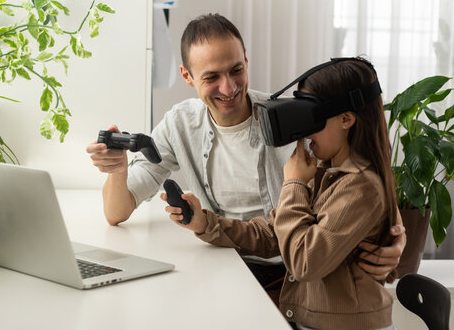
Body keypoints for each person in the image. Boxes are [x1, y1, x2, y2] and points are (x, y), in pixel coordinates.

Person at [86, 14, 404, 292]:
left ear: (246, 61)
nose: (229, 87)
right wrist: (118, 170)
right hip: (223, 263)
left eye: (236, 70)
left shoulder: (290, 121)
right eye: (211, 77)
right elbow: (117, 213)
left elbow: (358, 180)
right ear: (187, 76)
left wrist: (393, 233)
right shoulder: (179, 124)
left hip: (291, 277)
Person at [163, 57, 398, 329]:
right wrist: (207, 224)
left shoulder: (361, 187)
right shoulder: (326, 173)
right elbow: (274, 234)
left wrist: (294, 183)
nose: (306, 128)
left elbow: (304, 262)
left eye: (313, 116)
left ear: (346, 119)